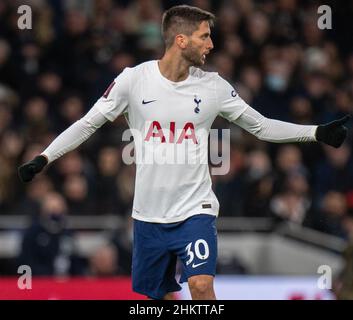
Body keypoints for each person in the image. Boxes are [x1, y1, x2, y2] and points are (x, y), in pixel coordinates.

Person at [18, 5, 350, 300]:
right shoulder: (133, 80)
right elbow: (87, 124)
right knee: (157, 300)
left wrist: (316, 132)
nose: (211, 45)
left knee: (202, 287)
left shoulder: (214, 86)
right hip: (148, 215)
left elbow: (260, 126)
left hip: (196, 209)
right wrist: (45, 156)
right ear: (181, 40)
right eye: (204, 37)